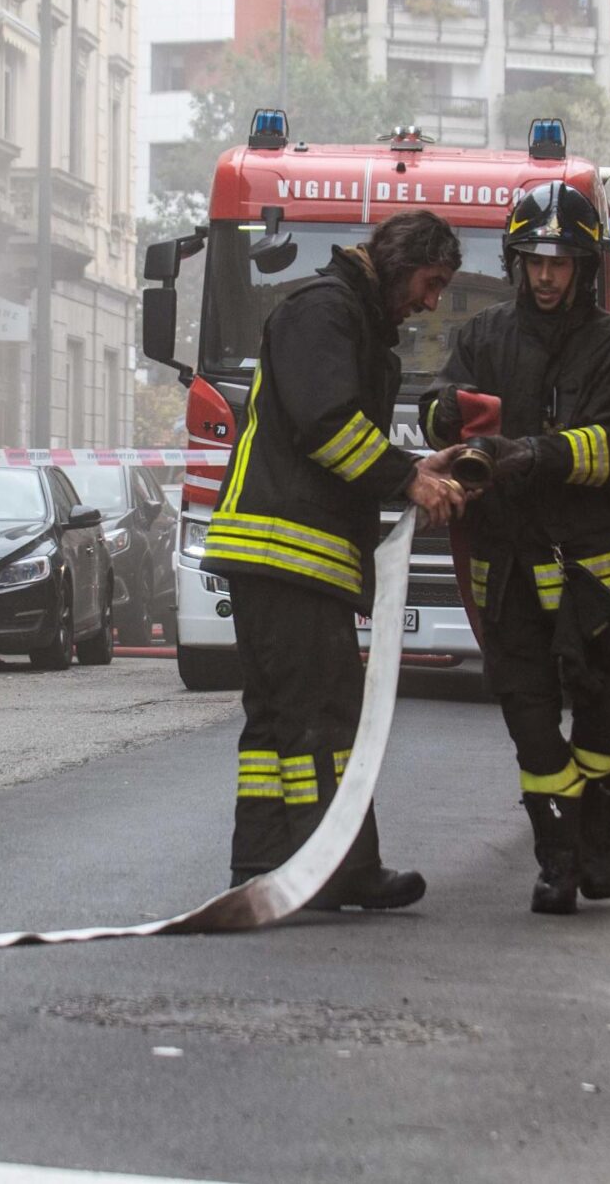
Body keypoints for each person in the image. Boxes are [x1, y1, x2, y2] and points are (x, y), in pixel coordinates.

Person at [201, 208, 471, 909]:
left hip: (277, 555)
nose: (431, 302)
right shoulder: (325, 311)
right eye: (431, 282)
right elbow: (327, 424)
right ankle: (333, 869)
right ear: (401, 261)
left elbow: (329, 432)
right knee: (324, 717)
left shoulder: (342, 315)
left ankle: (260, 864)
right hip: (290, 554)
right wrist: (405, 476)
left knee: (277, 726)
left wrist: (412, 463)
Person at [423, 182, 610, 915]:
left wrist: (534, 454)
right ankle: (557, 856)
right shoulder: (485, 335)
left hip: (591, 568)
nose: (547, 275)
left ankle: (597, 821)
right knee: (528, 717)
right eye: (535, 260)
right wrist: (444, 412)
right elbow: (438, 407)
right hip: (509, 564)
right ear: (517, 260)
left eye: (561, 261)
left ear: (584, 266)